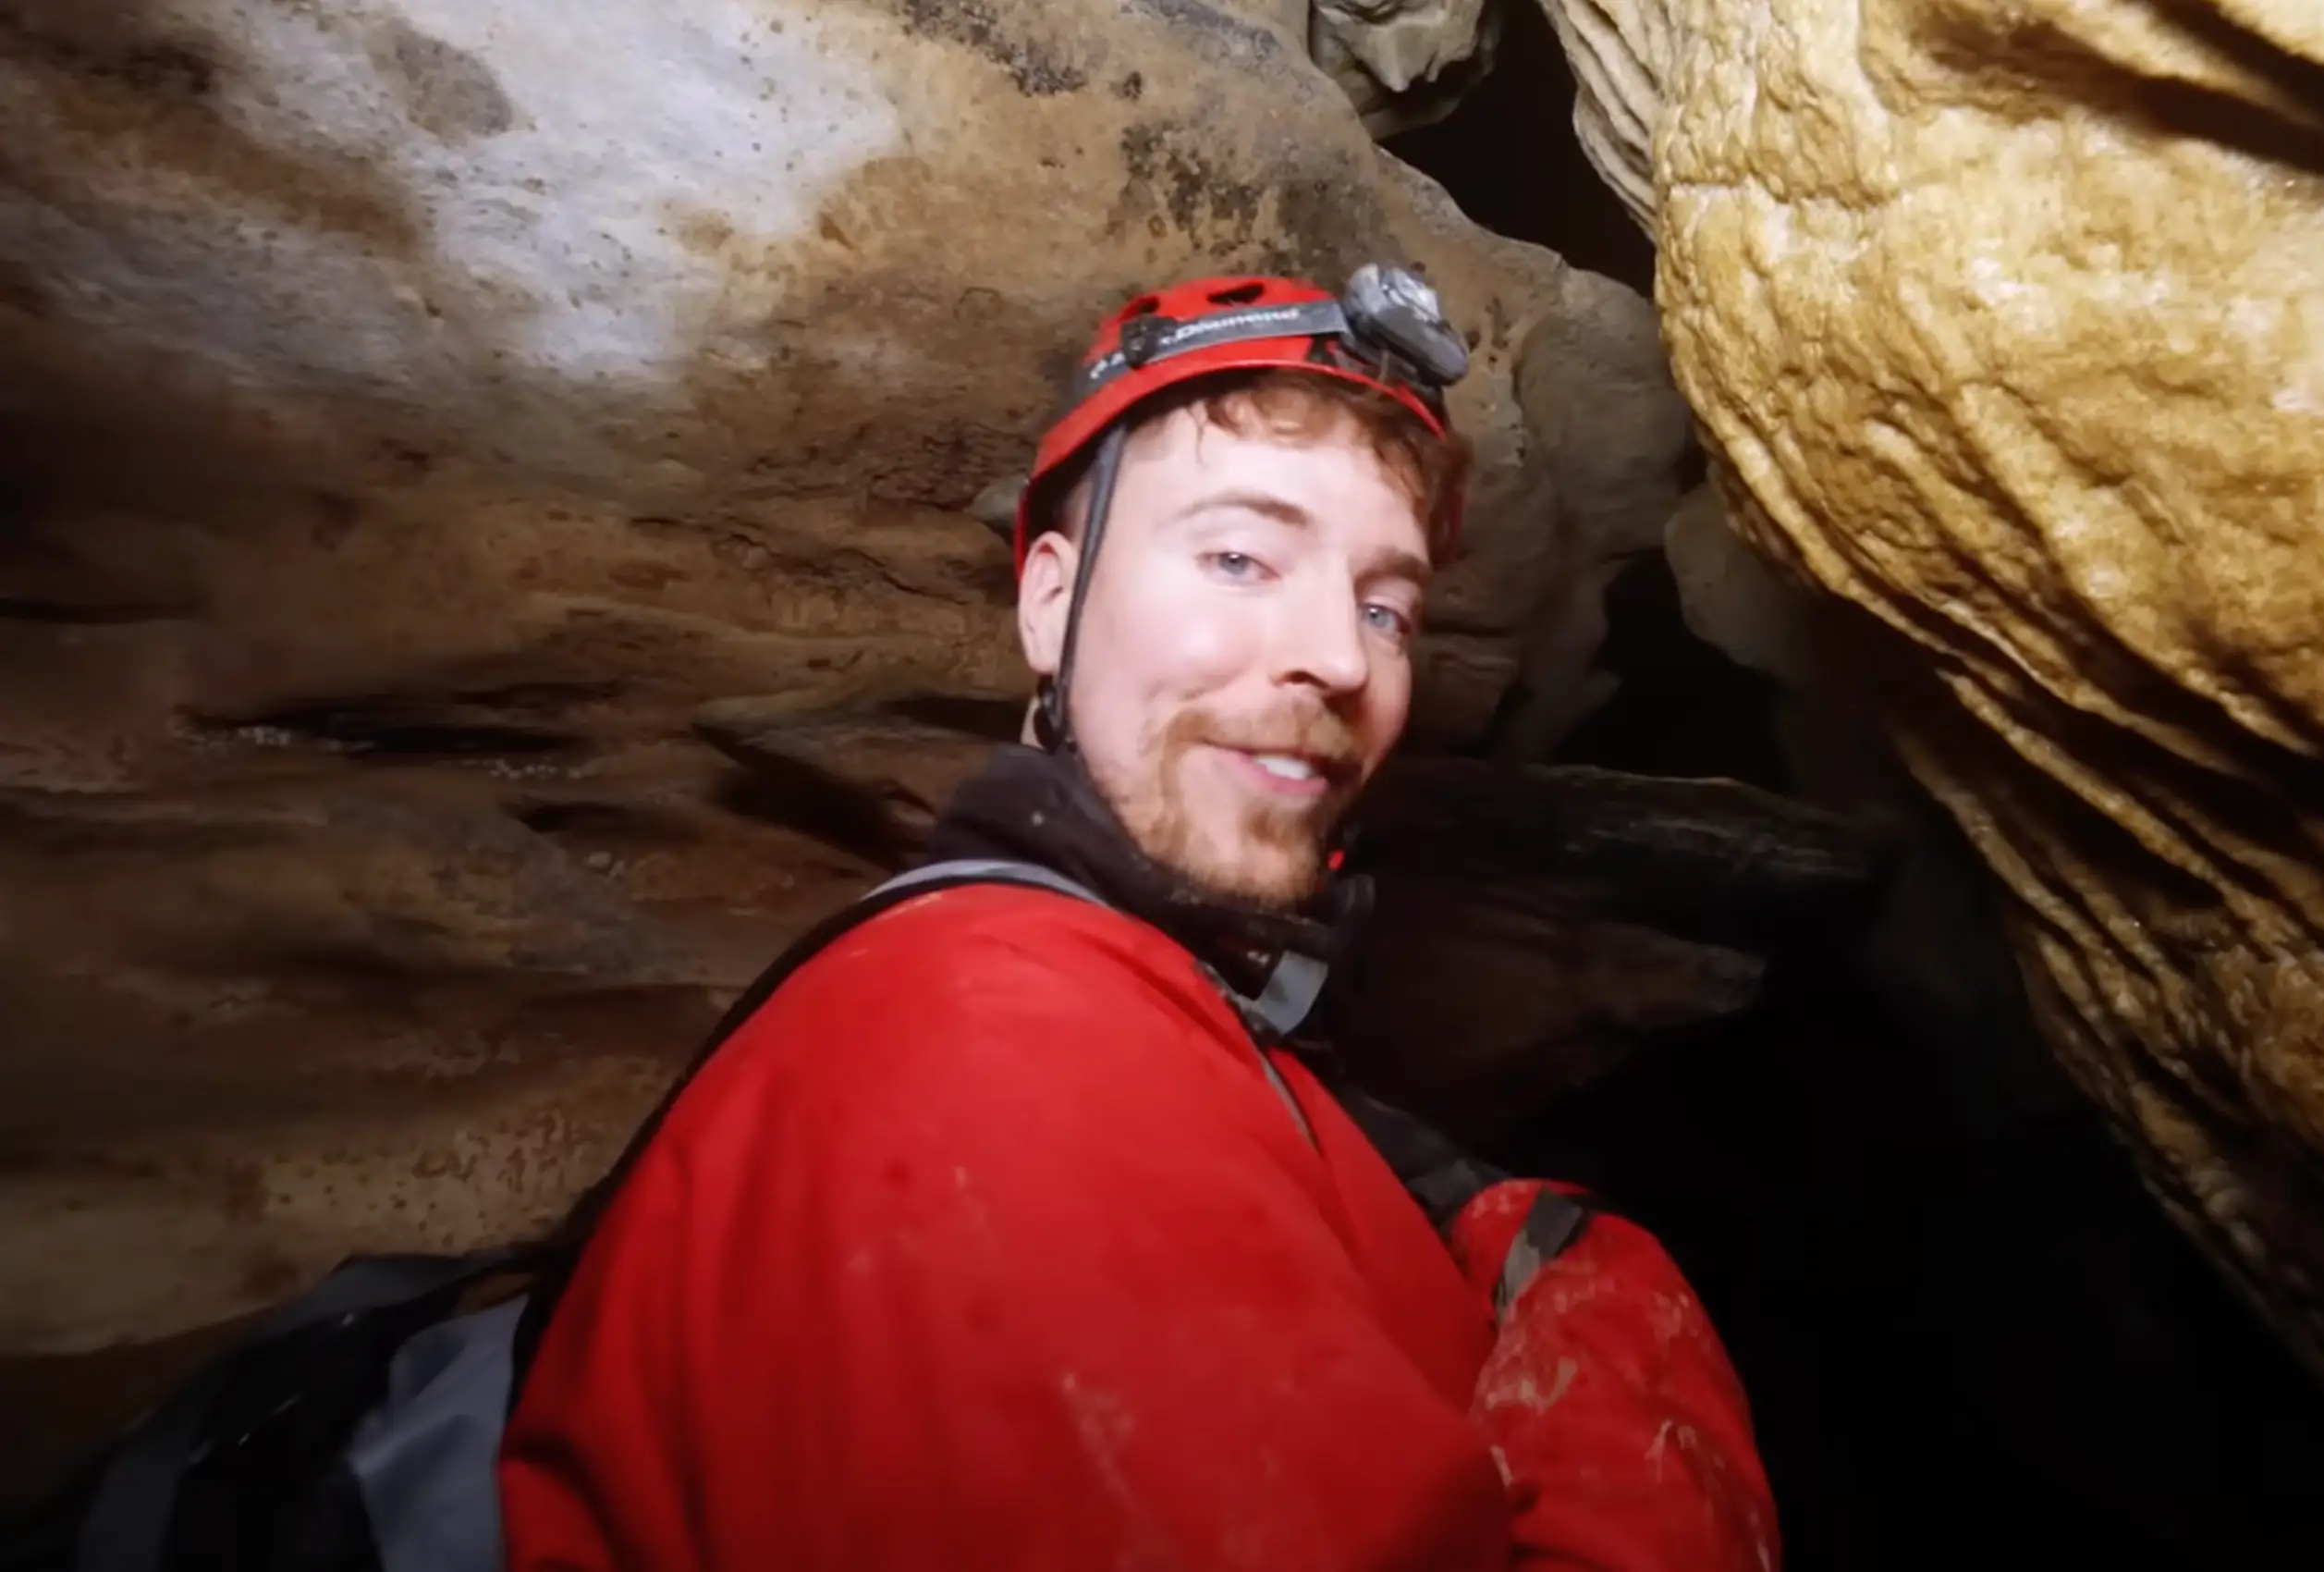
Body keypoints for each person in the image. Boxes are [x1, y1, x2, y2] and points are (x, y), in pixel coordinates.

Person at [497, 267, 1780, 1571]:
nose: (1340, 657)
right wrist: (1609, 1322)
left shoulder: (1146, 1013)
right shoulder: (999, 1043)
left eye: (1385, 606)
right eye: (1237, 556)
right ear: (1048, 602)